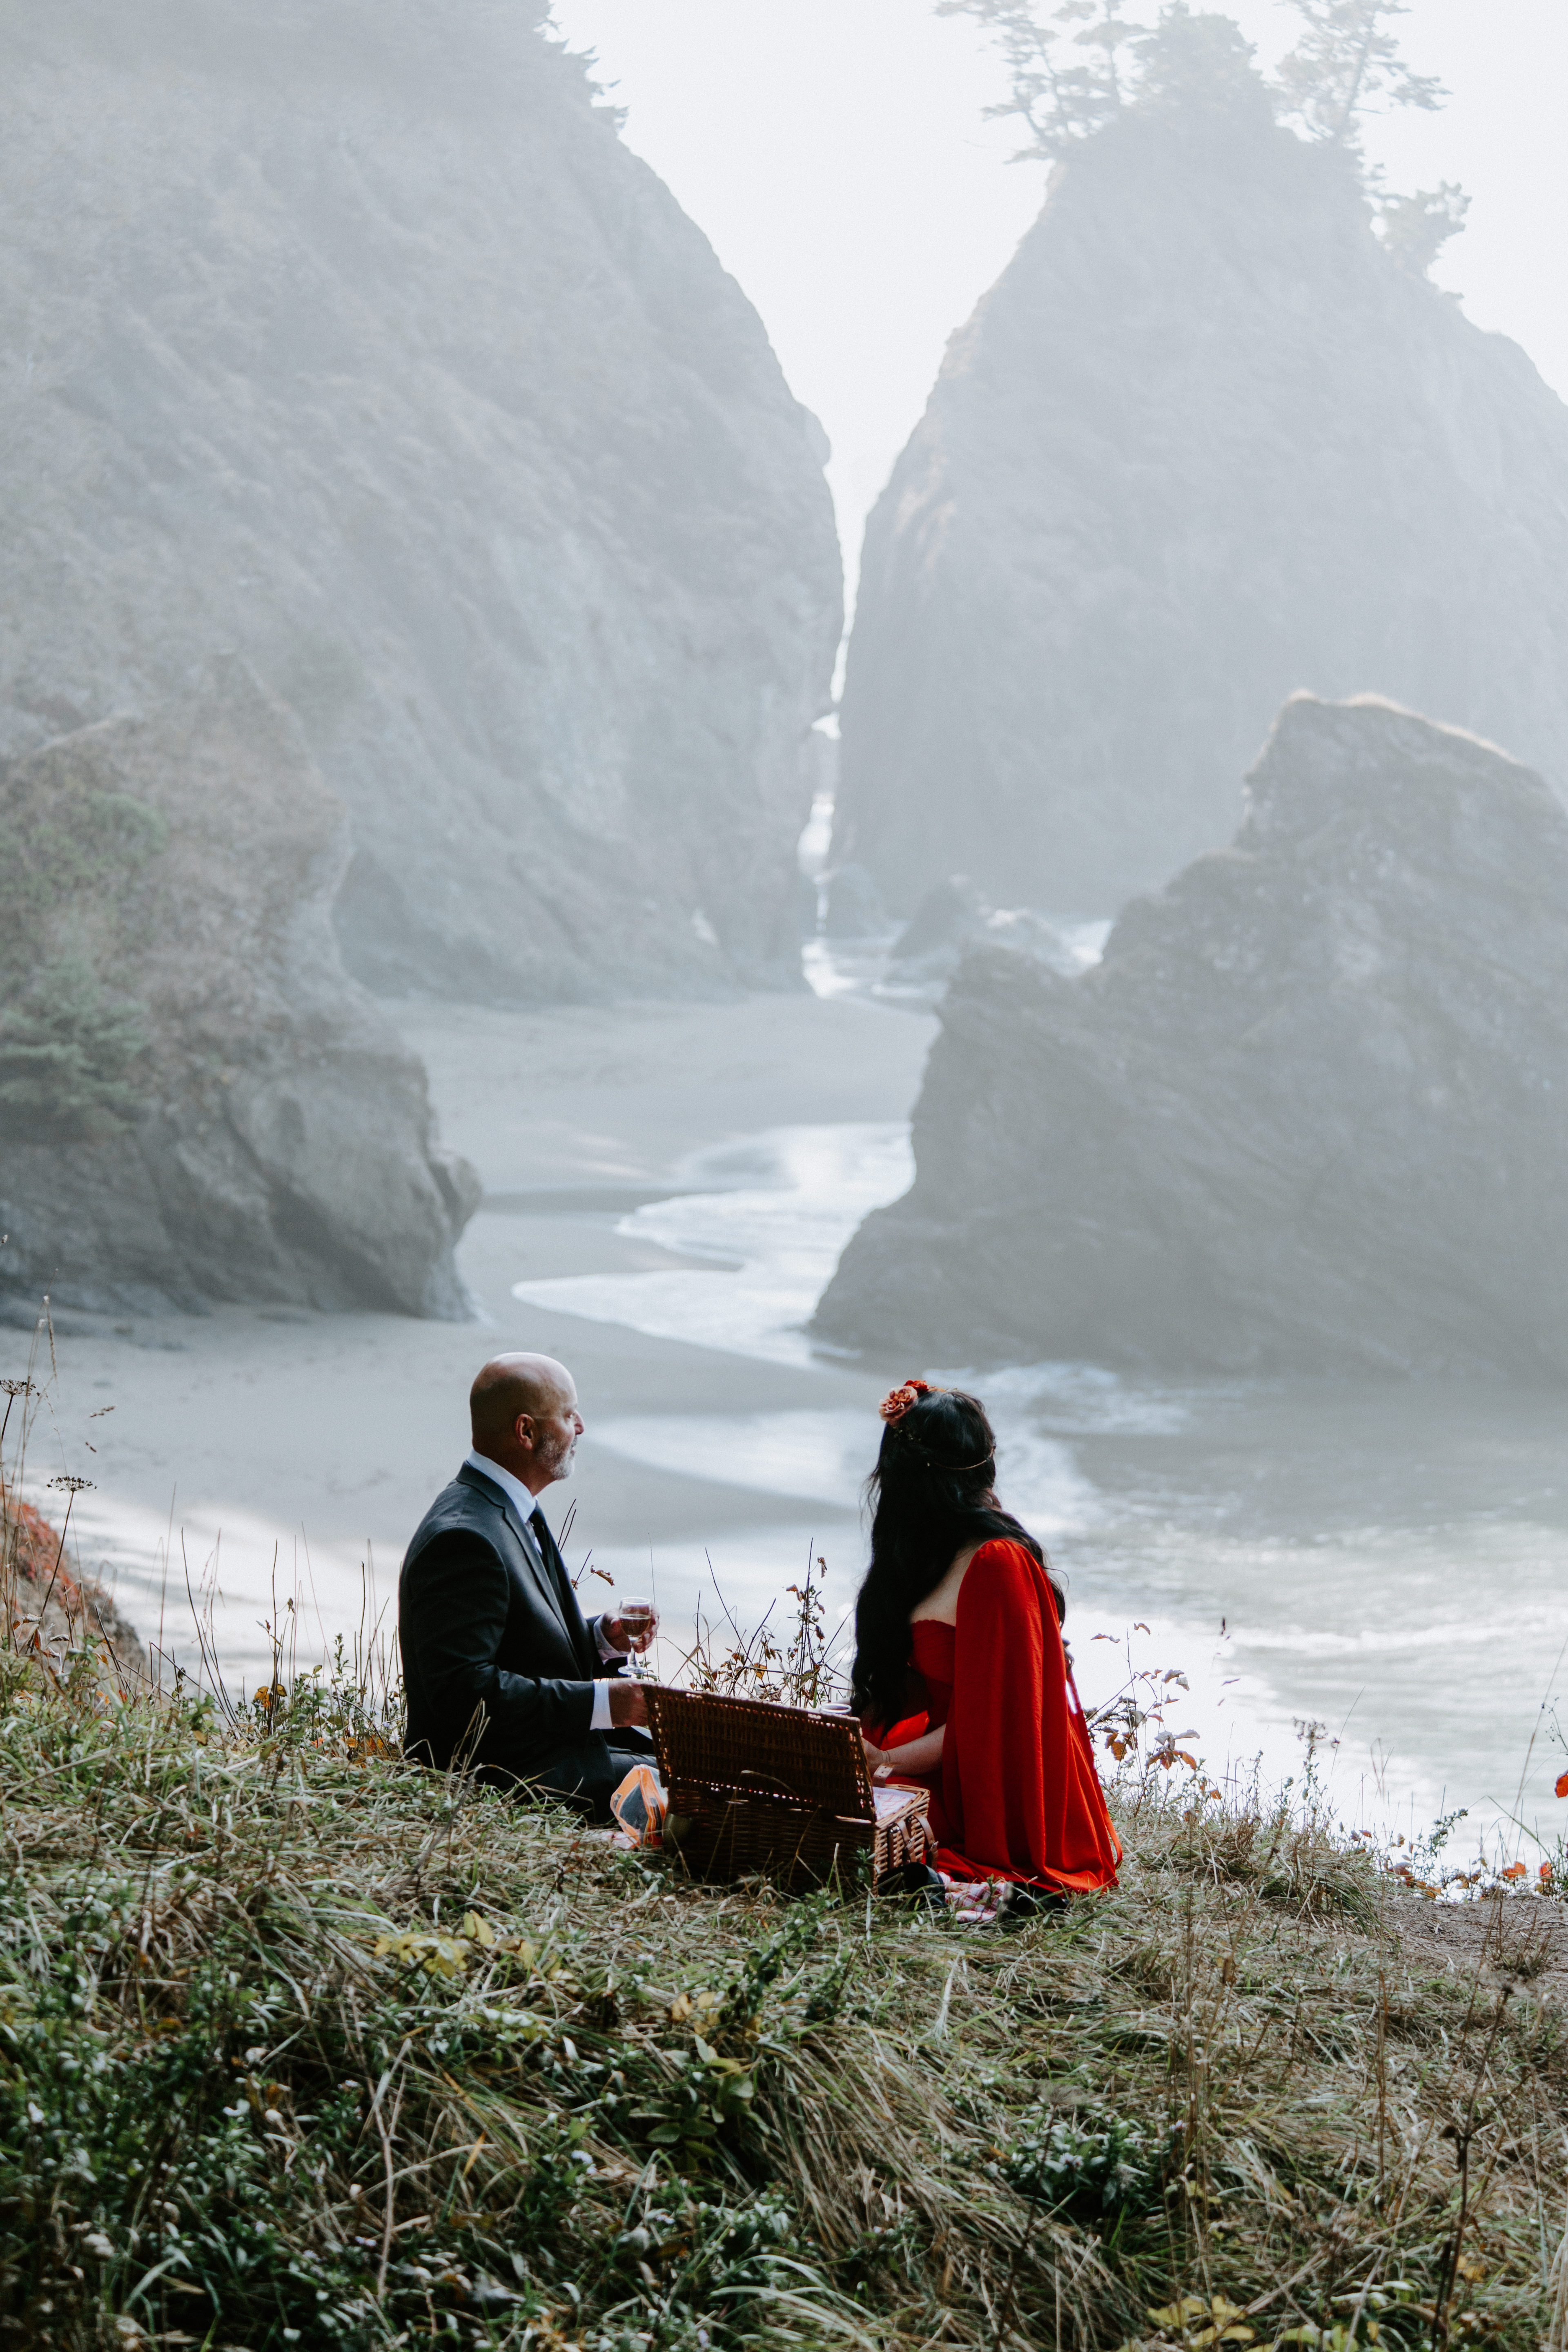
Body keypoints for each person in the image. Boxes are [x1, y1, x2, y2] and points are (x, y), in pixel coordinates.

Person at [851, 1379, 1120, 1896]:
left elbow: (997, 1728)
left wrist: (883, 1763)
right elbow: (904, 1689)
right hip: (932, 1755)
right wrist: (846, 1740)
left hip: (993, 1782)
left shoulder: (998, 1564)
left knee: (875, 1842)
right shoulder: (919, 1555)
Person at [399, 1351, 658, 1818]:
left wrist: (600, 1638)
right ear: (526, 1432)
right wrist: (603, 1704)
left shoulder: (507, 1508)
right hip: (505, 1785)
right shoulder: (463, 1537)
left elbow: (518, 1647)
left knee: (711, 1768)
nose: (580, 1426)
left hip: (544, 1760)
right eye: (567, 1414)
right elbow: (463, 1694)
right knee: (711, 1789)